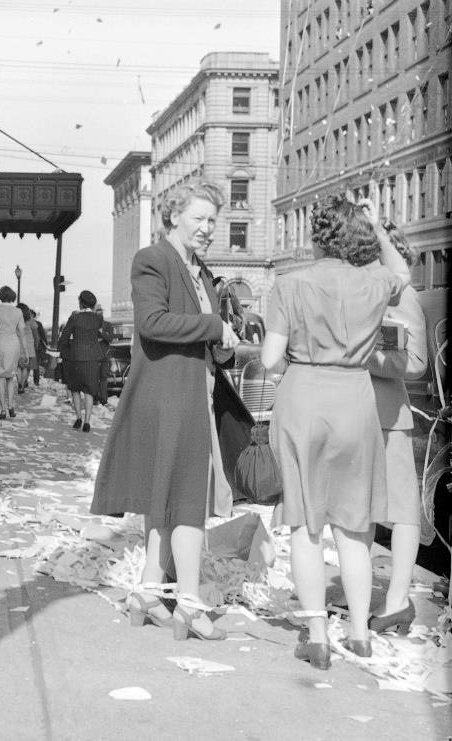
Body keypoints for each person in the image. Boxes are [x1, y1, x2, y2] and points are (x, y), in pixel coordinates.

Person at [260, 195, 409, 668]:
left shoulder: (290, 284)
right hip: (355, 401)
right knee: (354, 525)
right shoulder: (376, 282)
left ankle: (319, 637)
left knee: (306, 524)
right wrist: (379, 230)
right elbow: (402, 271)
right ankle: (362, 634)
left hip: (304, 398)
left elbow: (268, 360)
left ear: (317, 235)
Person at [91, 180, 239, 642]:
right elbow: (153, 324)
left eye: (213, 220)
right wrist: (215, 325)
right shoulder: (153, 259)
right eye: (199, 218)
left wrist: (224, 346)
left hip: (194, 392)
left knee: (167, 501)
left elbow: (201, 337)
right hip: (169, 397)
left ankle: (148, 594)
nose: (208, 228)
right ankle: (190, 607)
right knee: (190, 503)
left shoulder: (200, 270)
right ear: (173, 216)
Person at [366, 223, 428, 635]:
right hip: (352, 410)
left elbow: (418, 363)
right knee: (357, 506)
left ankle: (398, 600)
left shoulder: (403, 294)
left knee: (403, 510)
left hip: (388, 414)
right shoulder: (364, 287)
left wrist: (365, 357)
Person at [58, 291, 112, 432]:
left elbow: (64, 337)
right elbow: (101, 334)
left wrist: (66, 348)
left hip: (76, 357)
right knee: (89, 391)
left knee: (75, 389)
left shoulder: (75, 318)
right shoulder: (98, 318)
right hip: (93, 358)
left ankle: (78, 418)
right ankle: (87, 421)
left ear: (80, 302)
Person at [0, 285, 28, 420]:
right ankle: (11, 406)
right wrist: (25, 351)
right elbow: (21, 333)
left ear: (0, 296)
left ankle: (3, 409)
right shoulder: (18, 312)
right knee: (11, 376)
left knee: (0, 376)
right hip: (13, 344)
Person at [16, 304, 36, 393]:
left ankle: (19, 382)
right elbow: (35, 331)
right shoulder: (31, 320)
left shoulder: (15, 319)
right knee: (25, 367)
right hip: (28, 345)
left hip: (17, 343)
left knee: (17, 366)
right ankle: (23, 385)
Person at [31, 311, 48, 385]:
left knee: (32, 364)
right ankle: (36, 382)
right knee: (36, 364)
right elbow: (43, 335)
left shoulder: (23, 323)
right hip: (36, 346)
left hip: (33, 346)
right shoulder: (38, 323)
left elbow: (43, 335)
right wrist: (45, 344)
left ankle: (28, 381)